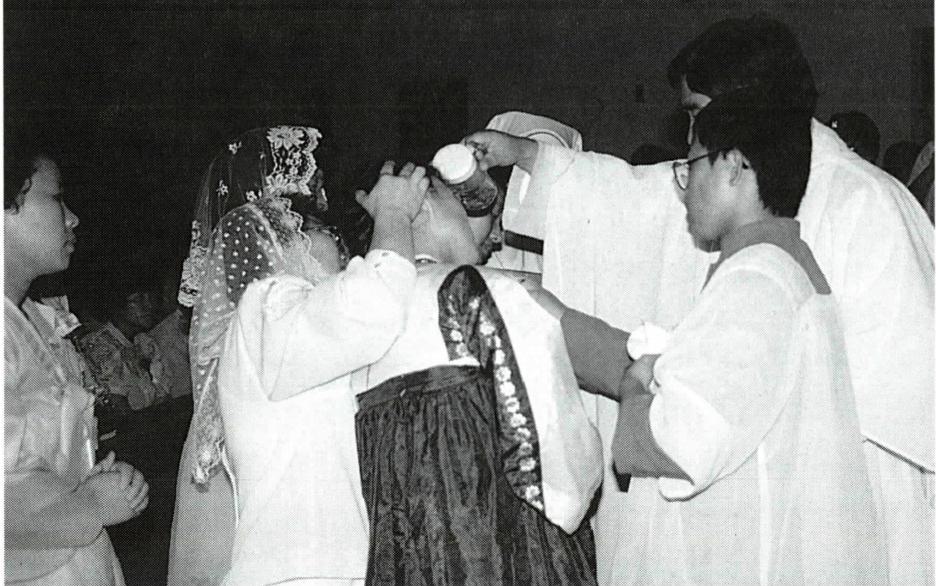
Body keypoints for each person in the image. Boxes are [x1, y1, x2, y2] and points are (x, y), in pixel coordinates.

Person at [464, 16, 933, 585]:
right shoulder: (759, 216)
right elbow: (633, 199)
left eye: (696, 118)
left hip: (846, 507)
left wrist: (638, 384)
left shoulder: (863, 203)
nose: (685, 164)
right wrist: (530, 157)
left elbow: (900, 421)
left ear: (739, 130)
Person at [168, 126, 427, 586]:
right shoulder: (266, 313)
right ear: (273, 244)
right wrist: (392, 215)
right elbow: (369, 305)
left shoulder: (308, 341)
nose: (345, 257)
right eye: (318, 234)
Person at [351, 170, 602, 585]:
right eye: (459, 204)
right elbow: (555, 441)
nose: (489, 235)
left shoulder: (358, 328)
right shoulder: (472, 290)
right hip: (500, 551)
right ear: (424, 205)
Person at [5, 143, 149, 585]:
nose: (72, 219)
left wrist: (88, 478)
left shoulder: (29, 319)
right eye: (55, 198)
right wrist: (88, 504)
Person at [73, 270, 168, 414]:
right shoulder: (98, 347)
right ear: (118, 305)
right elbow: (118, 410)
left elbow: (163, 395)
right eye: (139, 300)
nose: (149, 306)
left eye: (150, 298)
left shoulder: (146, 343)